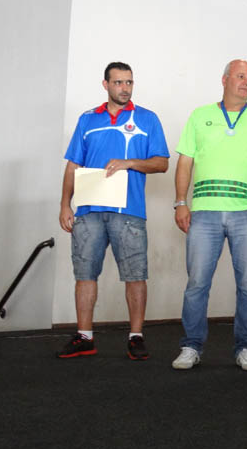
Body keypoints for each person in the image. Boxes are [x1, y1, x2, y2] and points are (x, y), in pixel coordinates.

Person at [171, 59, 247, 371]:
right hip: (204, 212)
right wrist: (180, 202)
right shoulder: (200, 116)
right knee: (197, 283)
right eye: (240, 76)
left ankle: (246, 348)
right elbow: (185, 162)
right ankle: (191, 346)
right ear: (224, 80)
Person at [58, 61, 169, 360]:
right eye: (118, 82)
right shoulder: (87, 119)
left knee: (135, 275)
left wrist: (129, 163)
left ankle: (136, 336)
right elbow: (73, 165)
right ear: (105, 84)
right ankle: (85, 337)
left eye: (129, 82)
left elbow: (161, 163)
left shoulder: (147, 118)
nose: (124, 88)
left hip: (129, 211)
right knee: (85, 274)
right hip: (88, 210)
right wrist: (65, 204)